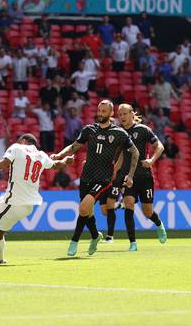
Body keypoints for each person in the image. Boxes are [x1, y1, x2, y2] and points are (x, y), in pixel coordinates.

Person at [0, 134, 74, 263]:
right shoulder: (41, 155)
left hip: (15, 202)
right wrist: (65, 161)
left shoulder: (16, 147)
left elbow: (4, 163)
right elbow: (55, 165)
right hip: (27, 202)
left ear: (23, 141)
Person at [51, 100, 139, 257]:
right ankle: (95, 235)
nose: (100, 114)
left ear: (111, 113)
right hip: (86, 176)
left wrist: (130, 174)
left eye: (104, 111)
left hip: (103, 178)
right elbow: (74, 146)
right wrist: (59, 155)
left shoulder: (119, 133)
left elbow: (135, 152)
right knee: (88, 211)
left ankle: (74, 241)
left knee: (83, 208)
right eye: (99, 111)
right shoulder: (89, 130)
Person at [103, 104, 166, 250]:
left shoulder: (143, 130)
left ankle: (159, 224)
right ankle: (133, 243)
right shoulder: (119, 133)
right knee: (128, 203)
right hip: (128, 177)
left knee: (147, 212)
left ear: (132, 114)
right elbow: (120, 158)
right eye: (120, 114)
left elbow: (160, 146)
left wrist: (151, 161)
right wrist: (112, 174)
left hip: (144, 177)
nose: (122, 117)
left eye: (125, 114)